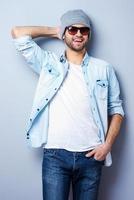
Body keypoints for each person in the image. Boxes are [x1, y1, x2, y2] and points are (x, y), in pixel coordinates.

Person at [11, 9, 124, 200]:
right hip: (55, 156)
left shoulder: (104, 69)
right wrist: (55, 31)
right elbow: (17, 33)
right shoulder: (49, 63)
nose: (78, 34)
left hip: (91, 156)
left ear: (89, 34)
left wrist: (107, 146)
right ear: (64, 33)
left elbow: (117, 111)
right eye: (72, 29)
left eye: (83, 30)